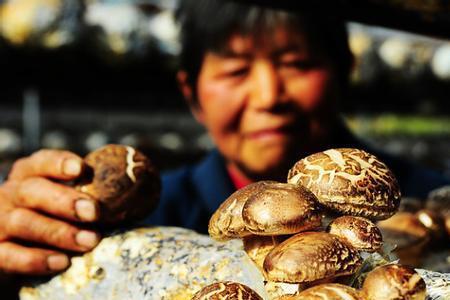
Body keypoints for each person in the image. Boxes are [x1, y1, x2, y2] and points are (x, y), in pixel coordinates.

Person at [0, 0, 448, 288]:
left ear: (343, 73)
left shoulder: (430, 204)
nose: (269, 96)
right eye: (235, 71)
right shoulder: (149, 212)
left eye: (296, 63)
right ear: (192, 94)